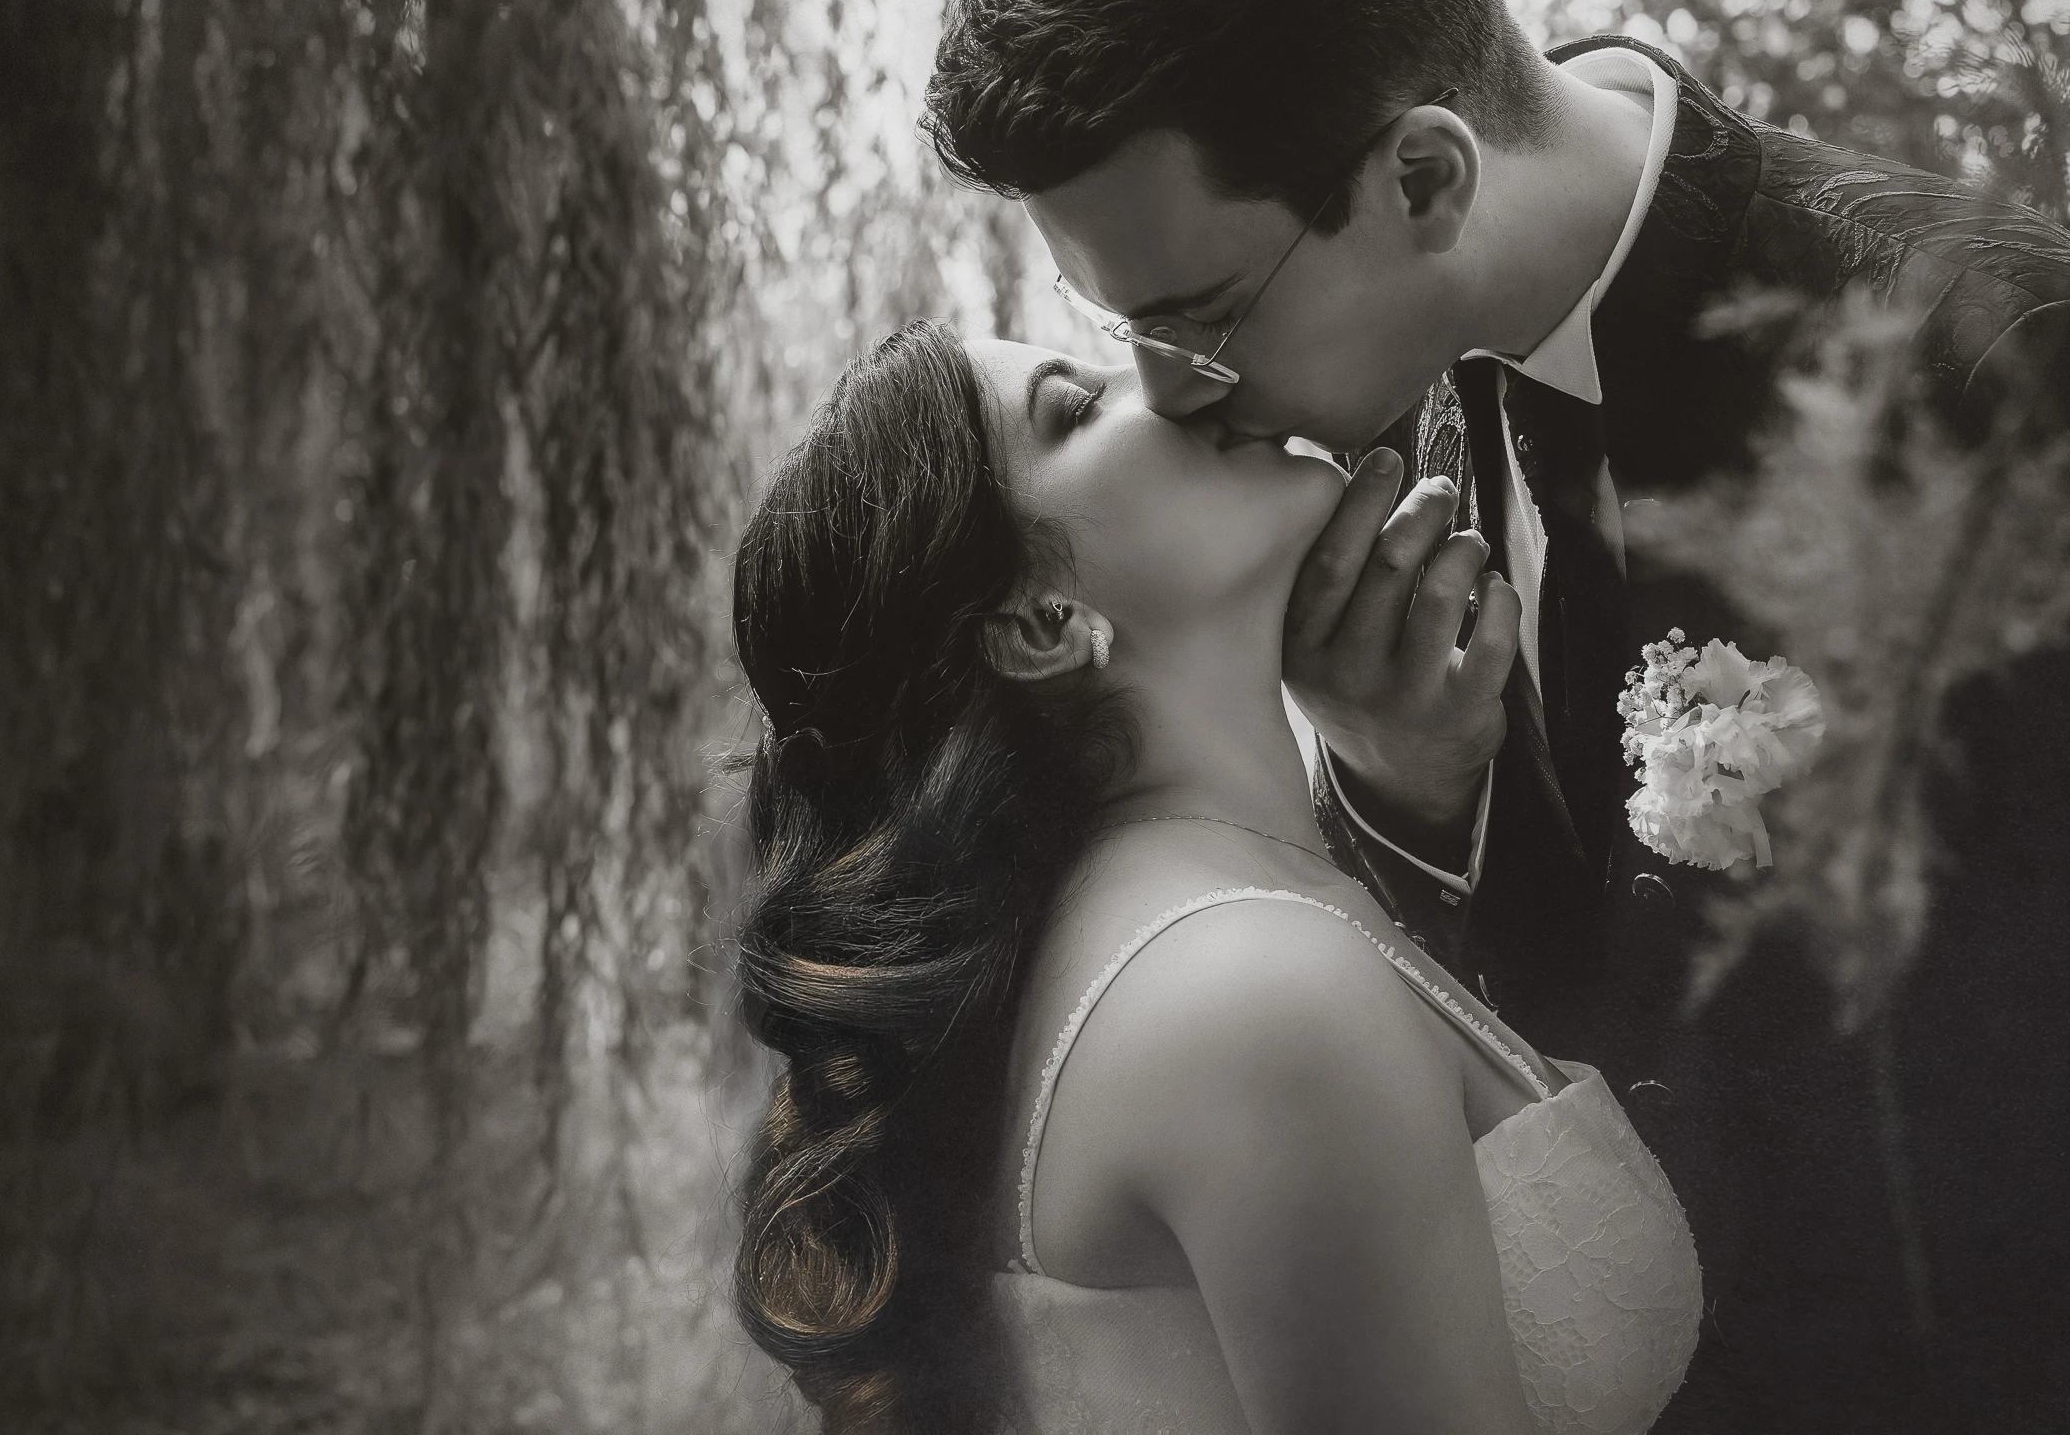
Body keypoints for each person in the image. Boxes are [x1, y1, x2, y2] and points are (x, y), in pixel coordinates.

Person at [922, 0, 2070, 1434]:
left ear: (1425, 180)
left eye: (1201, 315)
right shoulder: (1379, 431)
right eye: (1129, 330)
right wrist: (1410, 798)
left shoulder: (2013, 382)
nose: (1174, 395)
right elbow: (1525, 1106)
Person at [729, 321, 1701, 1433]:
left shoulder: (1179, 928)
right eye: (1075, 407)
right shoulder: (1249, 993)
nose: (1174, 376)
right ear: (1043, 623)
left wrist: (1405, 782)